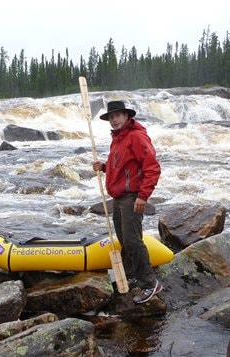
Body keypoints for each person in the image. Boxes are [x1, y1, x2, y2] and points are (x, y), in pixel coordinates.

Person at [92, 100, 162, 304]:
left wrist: (143, 196)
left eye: (118, 116)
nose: (114, 120)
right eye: (111, 117)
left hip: (132, 197)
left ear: (126, 116)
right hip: (119, 197)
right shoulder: (118, 138)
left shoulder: (137, 137)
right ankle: (131, 275)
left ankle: (150, 284)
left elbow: (152, 167)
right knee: (124, 238)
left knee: (133, 240)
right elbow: (123, 167)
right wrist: (104, 167)